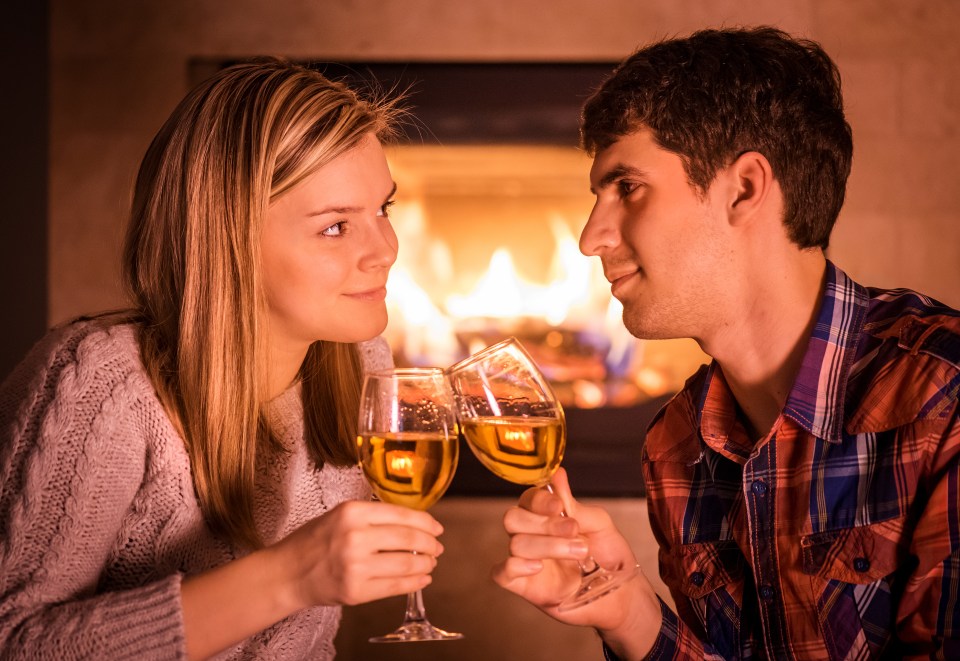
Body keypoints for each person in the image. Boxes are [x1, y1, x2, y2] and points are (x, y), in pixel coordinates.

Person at [493, 26, 960, 659]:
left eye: (627, 187)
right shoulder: (676, 443)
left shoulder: (944, 399)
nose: (591, 236)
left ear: (743, 189)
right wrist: (628, 611)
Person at [0, 58, 447, 660]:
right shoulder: (103, 383)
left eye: (383, 210)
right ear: (228, 240)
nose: (386, 250)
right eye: (337, 226)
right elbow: (13, 642)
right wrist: (291, 576)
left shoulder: (359, 363)